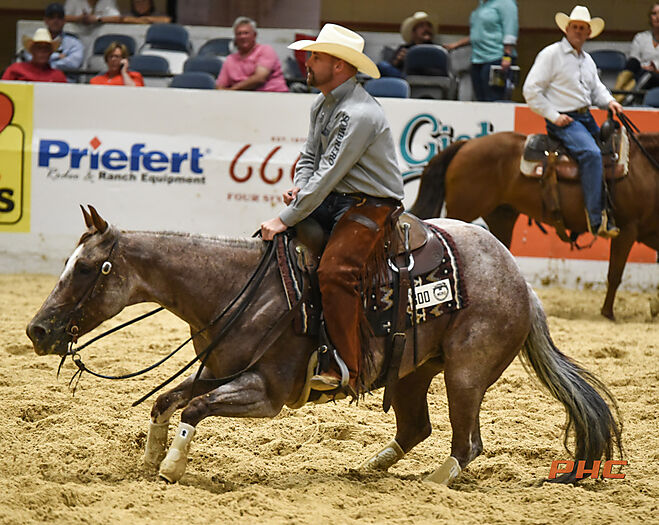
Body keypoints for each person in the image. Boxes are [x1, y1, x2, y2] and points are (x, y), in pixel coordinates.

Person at [260, 24, 404, 394]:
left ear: (339, 65)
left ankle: (347, 368)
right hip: (335, 199)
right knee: (279, 250)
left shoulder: (359, 114)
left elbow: (328, 173)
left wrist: (286, 216)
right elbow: (309, 158)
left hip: (371, 204)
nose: (307, 62)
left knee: (336, 272)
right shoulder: (323, 103)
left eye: (315, 56)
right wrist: (300, 187)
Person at [523, 5, 623, 238]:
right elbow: (531, 90)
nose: (578, 31)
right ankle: (595, 220)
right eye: (575, 27)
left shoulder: (587, 60)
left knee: (611, 152)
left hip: (585, 117)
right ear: (567, 29)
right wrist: (554, 116)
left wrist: (610, 101)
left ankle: (607, 208)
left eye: (582, 28)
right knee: (591, 154)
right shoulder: (551, 55)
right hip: (565, 119)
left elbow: (597, 89)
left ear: (589, 33)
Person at [445, 0, 518, 101]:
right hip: (478, 59)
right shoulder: (483, 4)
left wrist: (507, 57)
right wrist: (455, 45)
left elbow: (510, 31)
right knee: (480, 99)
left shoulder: (506, 3)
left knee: (494, 97)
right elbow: (477, 33)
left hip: (497, 58)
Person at [215, 16, 288, 92]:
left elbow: (259, 78)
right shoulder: (230, 60)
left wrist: (232, 90)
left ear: (254, 35)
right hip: (241, 97)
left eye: (246, 33)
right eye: (239, 34)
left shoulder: (266, 50)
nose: (242, 37)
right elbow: (219, 86)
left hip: (273, 94)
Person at [21, 3, 84, 82]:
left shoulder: (74, 42)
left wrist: (47, 66)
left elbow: (74, 64)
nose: (55, 21)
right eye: (51, 17)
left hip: (66, 83)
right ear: (46, 20)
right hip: (36, 80)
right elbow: (29, 58)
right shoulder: (36, 39)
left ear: (64, 21)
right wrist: (57, 56)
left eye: (59, 17)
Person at [613, 2, 659, 103]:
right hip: (641, 72)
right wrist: (644, 67)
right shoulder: (641, 37)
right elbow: (634, 60)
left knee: (649, 76)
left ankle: (625, 98)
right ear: (650, 17)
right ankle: (618, 94)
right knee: (633, 63)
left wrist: (656, 70)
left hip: (657, 76)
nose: (657, 17)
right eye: (654, 13)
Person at [377, 11, 436, 78]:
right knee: (382, 65)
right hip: (405, 77)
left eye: (429, 26)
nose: (426, 29)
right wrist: (398, 60)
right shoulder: (405, 48)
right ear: (413, 33)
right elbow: (391, 66)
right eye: (421, 26)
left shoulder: (437, 49)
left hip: (429, 78)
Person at [2, 28, 67, 83]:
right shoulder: (15, 69)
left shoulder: (58, 76)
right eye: (39, 48)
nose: (42, 52)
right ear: (32, 51)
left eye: (46, 49)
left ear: (51, 53)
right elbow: (3, 90)